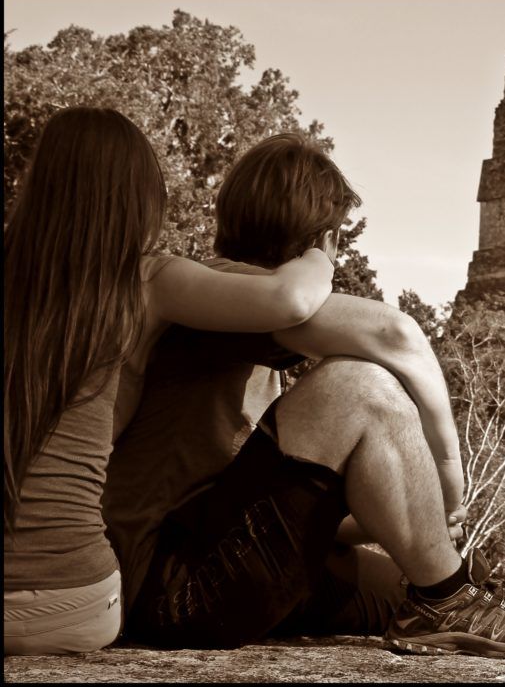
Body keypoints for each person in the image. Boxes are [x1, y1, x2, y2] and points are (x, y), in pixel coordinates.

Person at [103, 133, 505, 660]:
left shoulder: (244, 324)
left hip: (214, 559)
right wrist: (450, 477)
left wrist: (418, 521)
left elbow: (289, 510)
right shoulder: (220, 294)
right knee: (357, 385)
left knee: (408, 584)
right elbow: (396, 336)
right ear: (326, 240)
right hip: (170, 588)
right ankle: (447, 599)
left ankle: (451, 597)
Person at [3, 108, 337, 656]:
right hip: (76, 603)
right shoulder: (144, 278)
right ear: (138, 198)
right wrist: (320, 253)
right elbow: (293, 299)